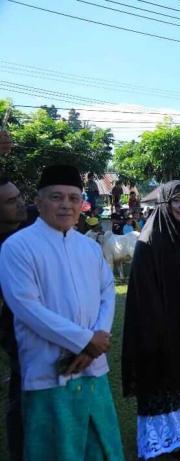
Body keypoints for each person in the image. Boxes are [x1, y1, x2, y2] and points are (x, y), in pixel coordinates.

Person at [0, 165, 123, 460]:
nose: (66, 204)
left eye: (73, 198)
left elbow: (107, 292)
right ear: (39, 203)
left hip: (93, 367)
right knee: (56, 450)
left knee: (101, 448)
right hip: (48, 370)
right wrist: (84, 340)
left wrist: (97, 340)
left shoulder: (90, 248)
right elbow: (26, 306)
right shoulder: (18, 247)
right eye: (57, 197)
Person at [122, 180, 180, 460]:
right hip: (161, 326)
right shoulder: (151, 241)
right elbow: (144, 294)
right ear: (164, 204)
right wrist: (161, 327)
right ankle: (168, 441)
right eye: (177, 201)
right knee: (165, 381)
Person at [0, 177, 28, 461]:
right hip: (15, 334)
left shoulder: (29, 228)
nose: (21, 202)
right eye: (11, 201)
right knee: (20, 400)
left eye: (18, 196)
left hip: (33, 334)